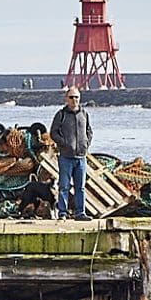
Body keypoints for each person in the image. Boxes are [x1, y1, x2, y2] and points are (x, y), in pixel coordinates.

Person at [50, 86, 92, 220]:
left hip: (81, 157)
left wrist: (86, 144)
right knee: (64, 186)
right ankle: (63, 213)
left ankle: (80, 213)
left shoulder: (84, 114)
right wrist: (63, 143)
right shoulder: (61, 115)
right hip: (66, 157)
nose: (74, 100)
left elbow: (89, 131)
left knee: (80, 187)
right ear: (66, 99)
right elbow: (53, 132)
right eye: (71, 97)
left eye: (76, 97)